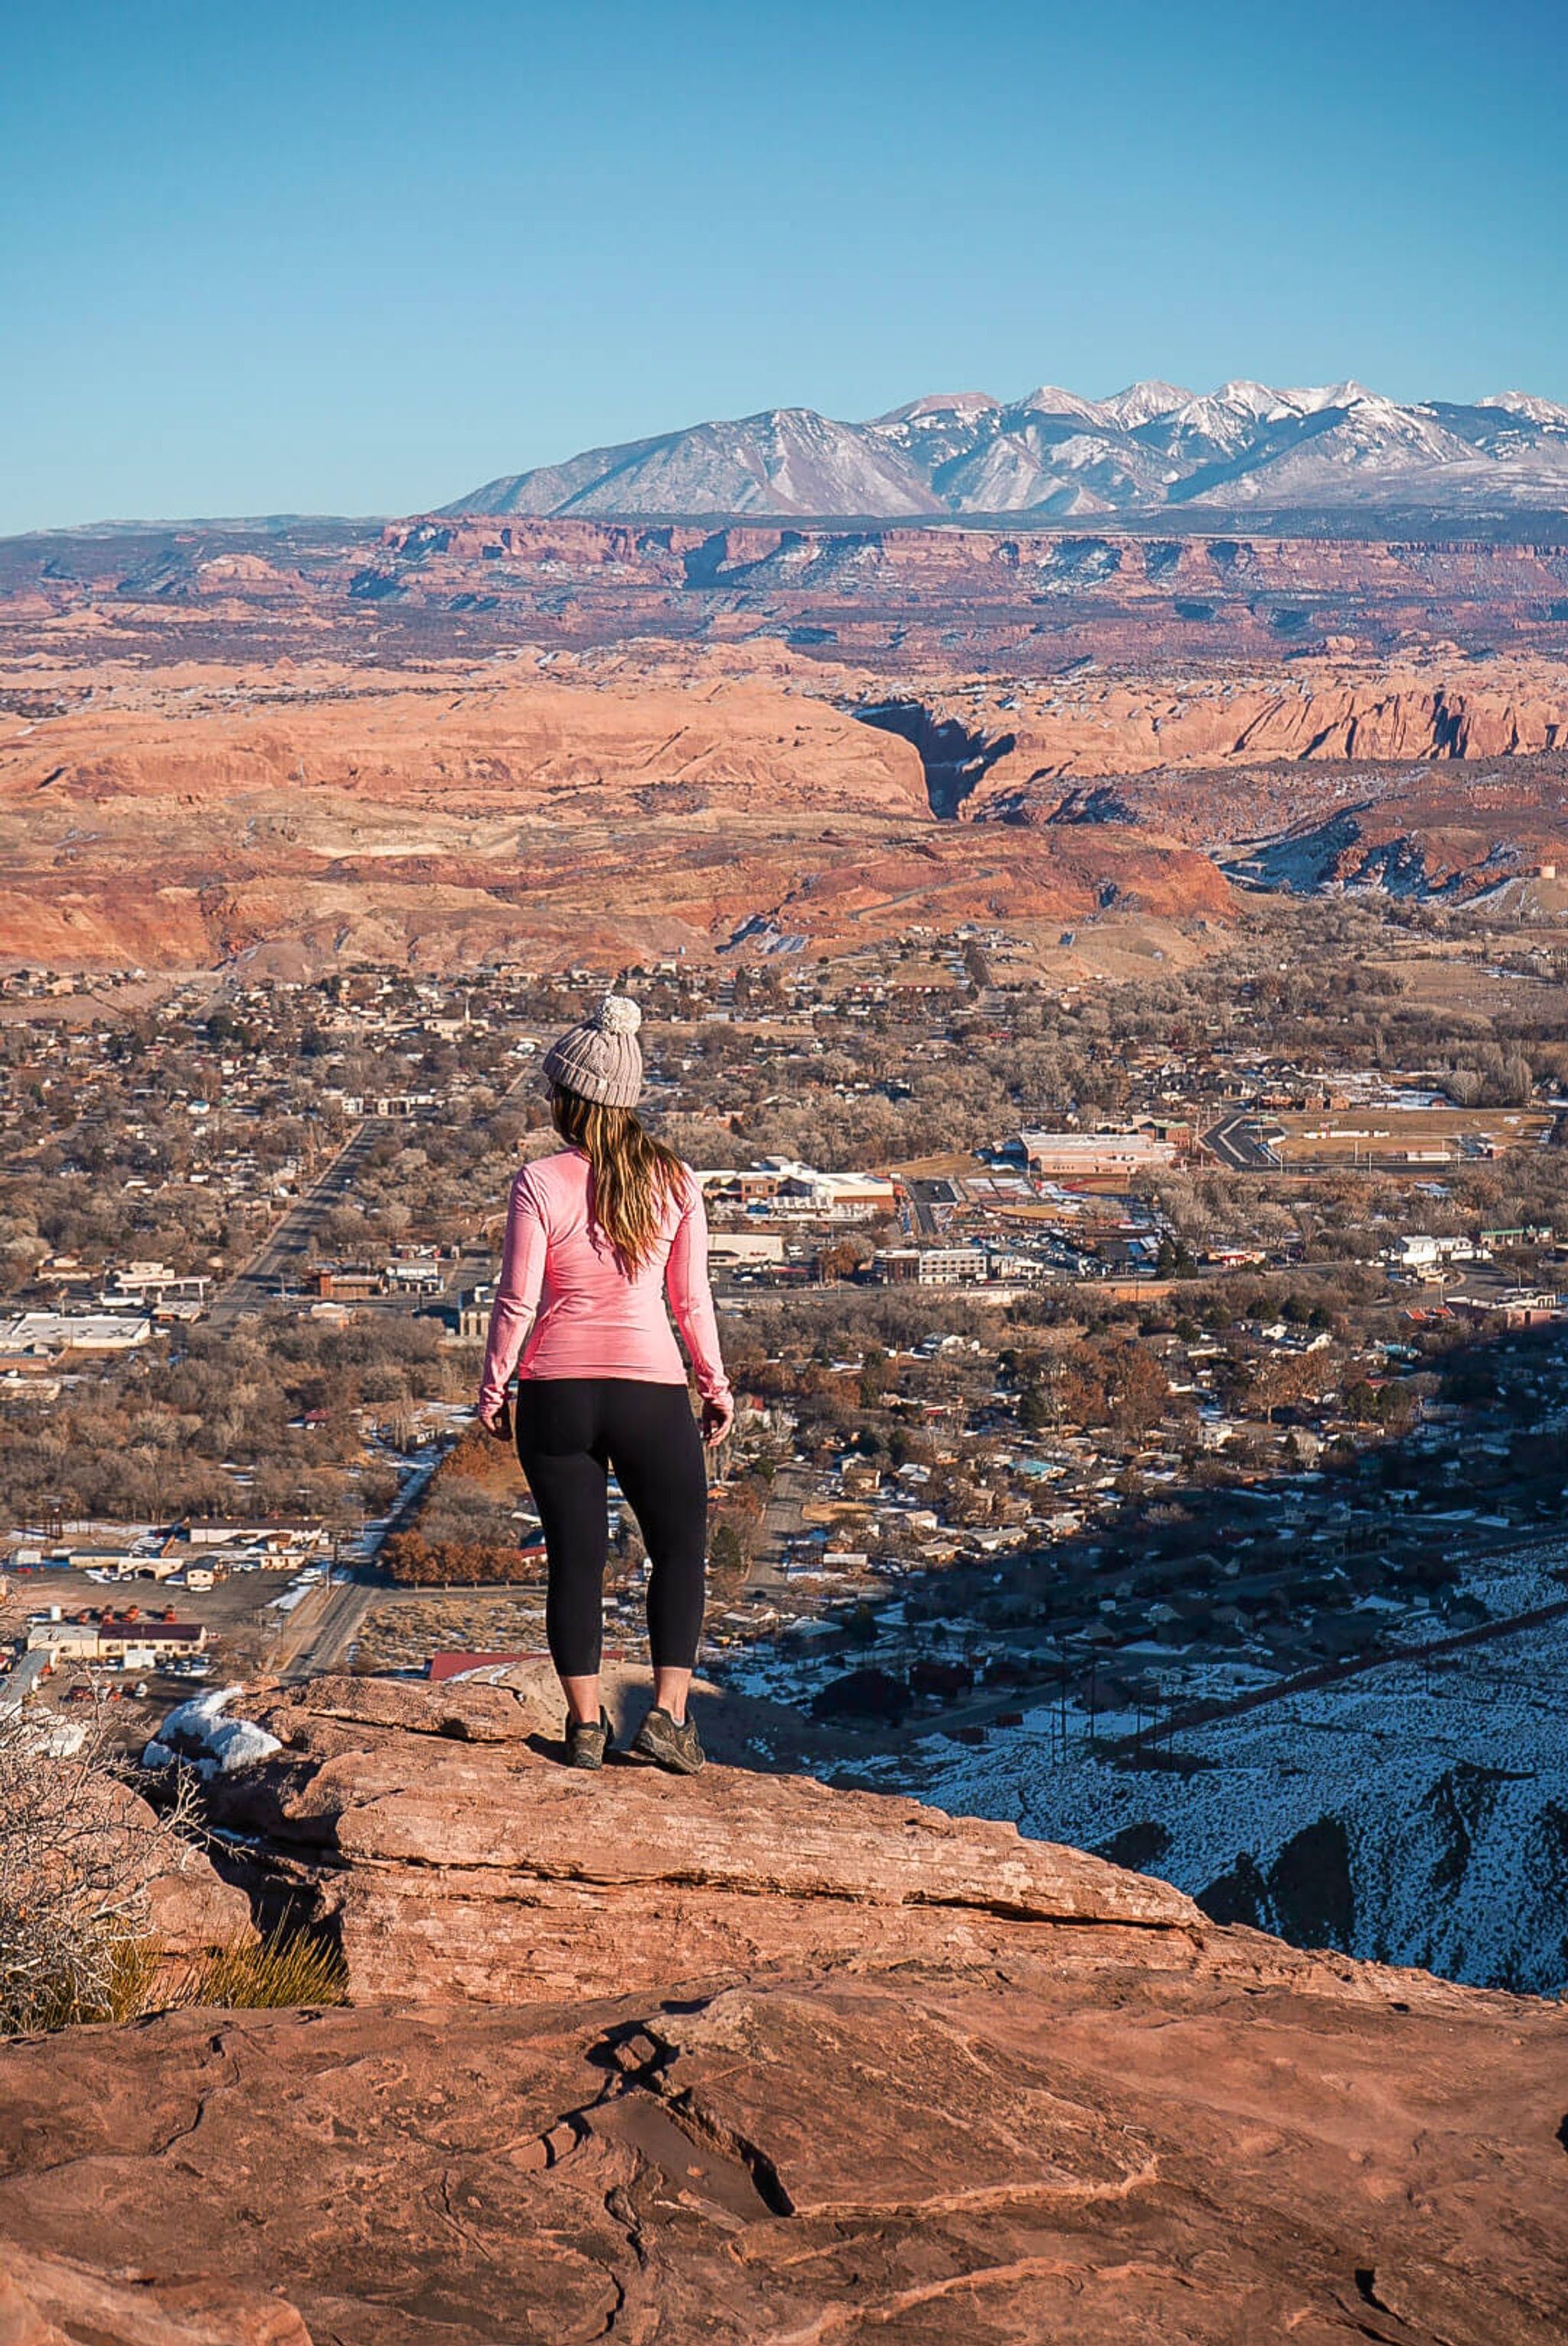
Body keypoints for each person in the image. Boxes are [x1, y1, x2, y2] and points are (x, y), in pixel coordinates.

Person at [476, 992, 733, 1773]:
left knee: (575, 1560)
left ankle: (585, 1728)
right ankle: (665, 1715)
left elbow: (517, 1297)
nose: (548, 1100)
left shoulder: (538, 1181)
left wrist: (494, 1387)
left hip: (556, 1390)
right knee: (679, 1553)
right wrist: (713, 1384)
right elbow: (690, 1299)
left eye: (554, 1090)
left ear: (574, 1100)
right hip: (649, 1390)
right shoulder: (675, 1179)